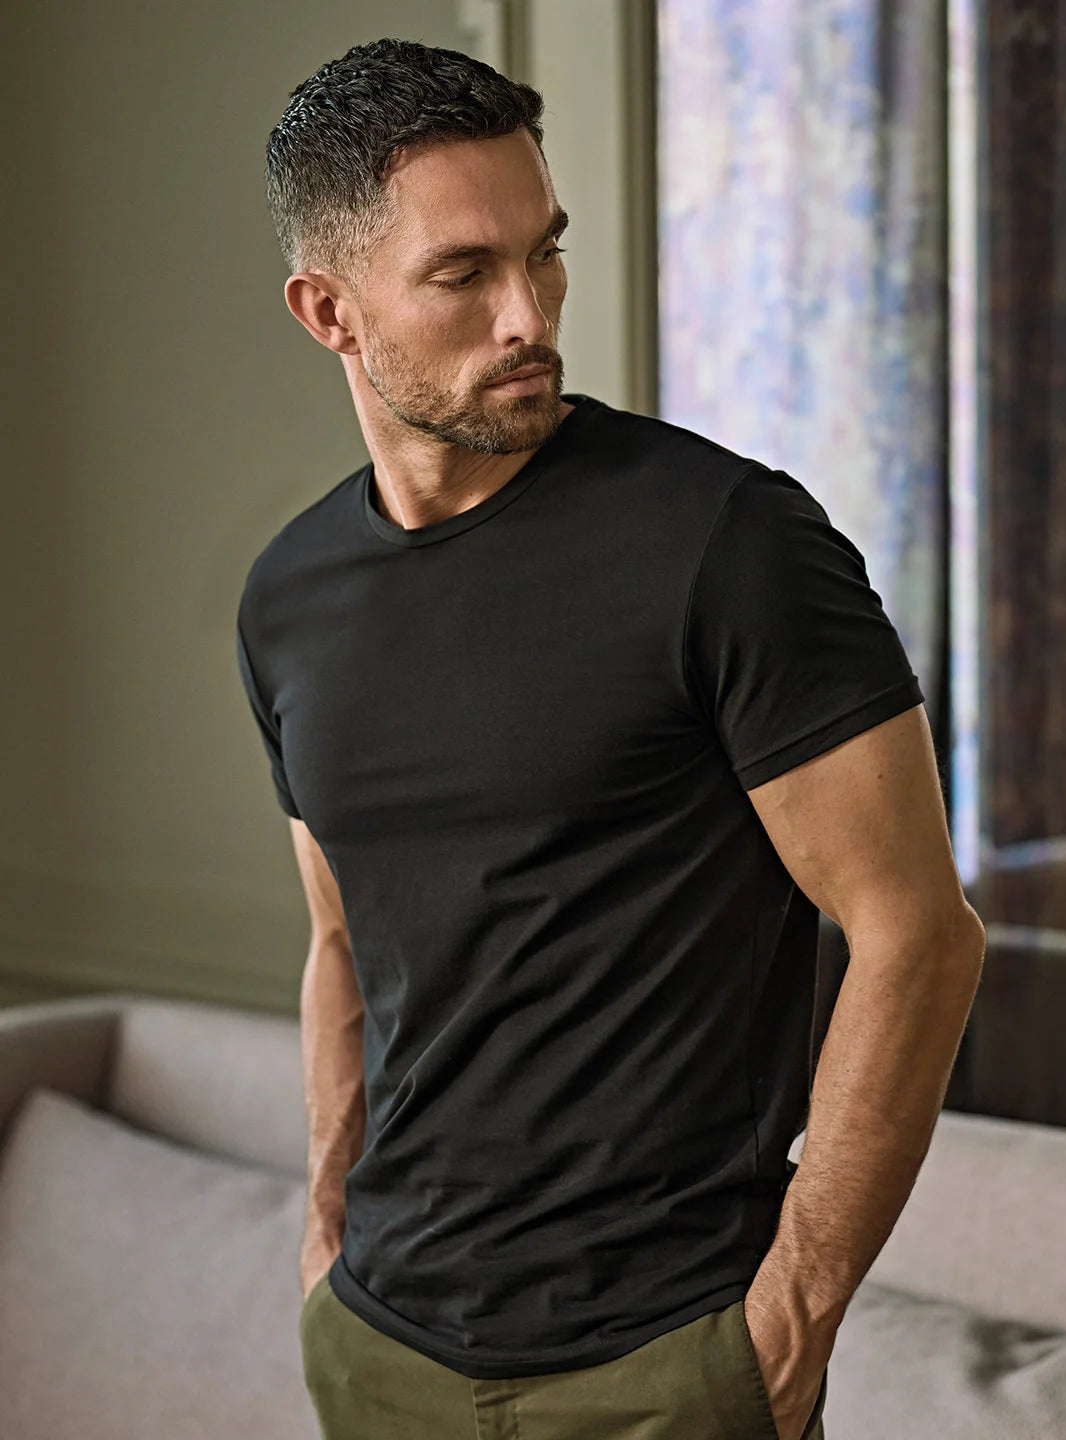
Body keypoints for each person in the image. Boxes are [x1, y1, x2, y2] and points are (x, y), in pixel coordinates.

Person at [236, 36, 985, 1440]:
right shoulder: (288, 601)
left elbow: (919, 935)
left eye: (545, 253)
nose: (527, 314)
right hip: (379, 1351)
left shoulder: (729, 541)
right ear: (329, 311)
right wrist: (326, 1232)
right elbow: (342, 940)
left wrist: (788, 1328)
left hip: (670, 1365)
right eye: (464, 274)